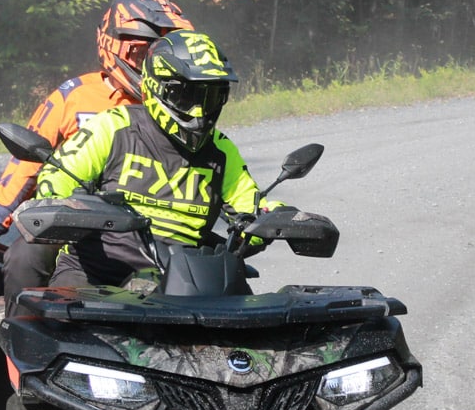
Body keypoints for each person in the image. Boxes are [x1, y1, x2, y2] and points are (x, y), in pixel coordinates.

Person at [0, 0, 194, 300]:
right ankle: (19, 343)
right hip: (75, 224)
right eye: (142, 56)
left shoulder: (181, 100)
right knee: (23, 259)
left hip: (158, 224)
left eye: (162, 56)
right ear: (112, 44)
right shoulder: (74, 97)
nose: (152, 66)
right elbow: (27, 165)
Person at [26, 30, 287, 289]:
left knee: (252, 325)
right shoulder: (112, 127)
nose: (199, 111)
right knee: (56, 321)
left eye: (211, 98)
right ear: (155, 87)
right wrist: (67, 209)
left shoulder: (221, 150)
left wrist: (279, 217)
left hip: (185, 279)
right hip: (99, 272)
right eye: (186, 95)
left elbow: (251, 207)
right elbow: (57, 176)